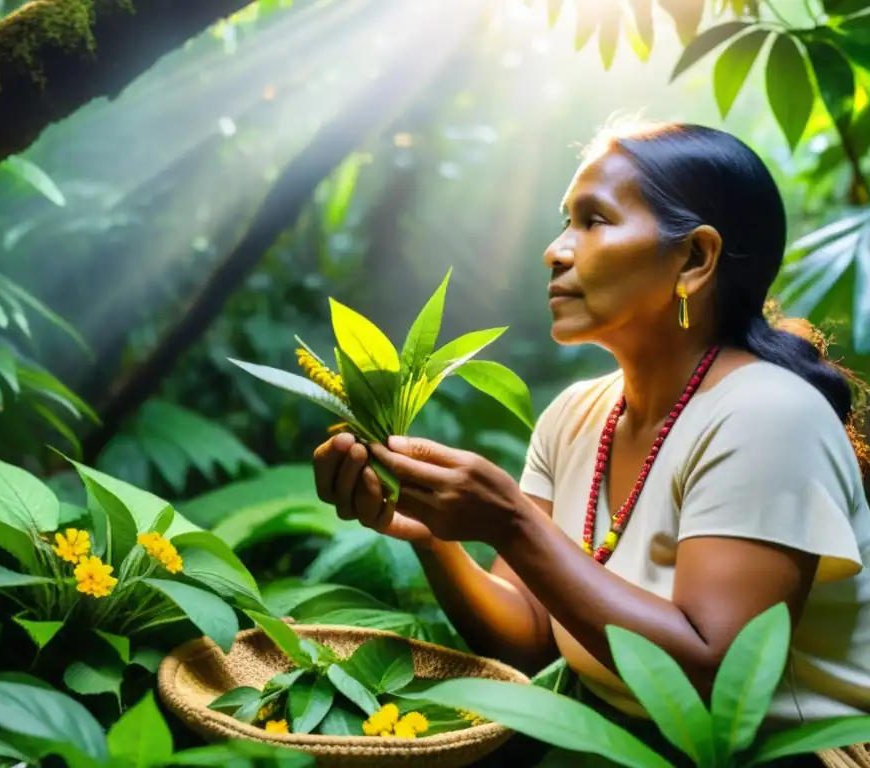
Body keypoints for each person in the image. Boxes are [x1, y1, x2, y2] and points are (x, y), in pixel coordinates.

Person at [312, 122, 870, 765]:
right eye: (564, 222)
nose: (555, 250)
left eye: (593, 220)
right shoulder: (576, 416)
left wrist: (512, 522)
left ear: (694, 259)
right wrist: (433, 535)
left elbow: (717, 685)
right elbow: (529, 637)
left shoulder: (769, 414)